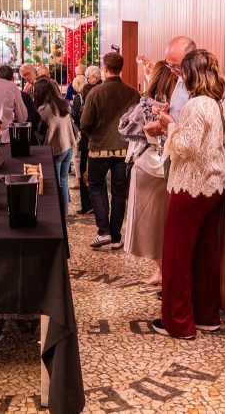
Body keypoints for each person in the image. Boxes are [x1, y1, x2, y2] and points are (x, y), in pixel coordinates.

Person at [150, 50, 225, 340]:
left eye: (183, 72)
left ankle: (178, 322)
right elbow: (223, 138)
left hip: (191, 185)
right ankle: (206, 316)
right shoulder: (219, 103)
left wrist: (169, 125)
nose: (181, 78)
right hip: (217, 183)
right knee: (206, 252)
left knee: (176, 254)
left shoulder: (196, 105)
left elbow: (187, 147)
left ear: (193, 74)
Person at [118, 61, 178, 285]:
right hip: (166, 165)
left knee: (150, 222)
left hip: (147, 165)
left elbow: (125, 127)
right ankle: (163, 267)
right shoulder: (175, 104)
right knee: (162, 220)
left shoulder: (148, 103)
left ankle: (160, 268)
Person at [79, 52, 140, 249]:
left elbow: (85, 123)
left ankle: (103, 231)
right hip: (124, 150)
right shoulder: (133, 93)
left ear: (105, 68)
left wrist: (94, 134)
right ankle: (116, 237)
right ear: (121, 68)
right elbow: (137, 123)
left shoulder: (95, 93)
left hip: (99, 149)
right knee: (119, 193)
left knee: (96, 186)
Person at [32, 78, 77, 219]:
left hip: (56, 149)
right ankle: (64, 214)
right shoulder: (62, 104)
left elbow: (38, 131)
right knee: (63, 182)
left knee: (55, 184)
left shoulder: (44, 110)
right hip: (68, 145)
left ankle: (58, 216)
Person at [71, 66, 101, 215]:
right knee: (98, 177)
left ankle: (87, 205)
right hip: (100, 141)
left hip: (86, 140)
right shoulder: (102, 92)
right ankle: (98, 206)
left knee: (85, 172)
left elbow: (79, 119)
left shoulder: (84, 95)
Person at [0, 65, 41, 141]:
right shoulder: (23, 94)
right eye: (24, 75)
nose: (26, 77)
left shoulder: (36, 87)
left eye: (28, 73)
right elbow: (30, 119)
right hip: (23, 135)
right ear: (13, 78)